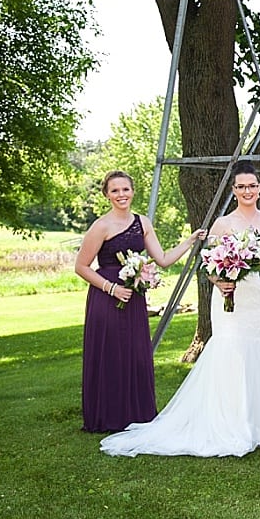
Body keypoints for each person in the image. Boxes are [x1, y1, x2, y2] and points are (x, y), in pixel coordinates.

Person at [100, 161, 260, 456]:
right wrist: (219, 283)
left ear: (259, 189)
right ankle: (226, 422)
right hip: (227, 299)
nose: (247, 191)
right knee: (228, 350)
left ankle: (257, 422)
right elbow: (207, 263)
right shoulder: (222, 224)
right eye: (241, 186)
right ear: (234, 191)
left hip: (256, 297)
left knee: (254, 349)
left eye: (252, 186)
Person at [75, 170, 207, 433]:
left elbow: (163, 259)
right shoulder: (101, 226)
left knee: (135, 354)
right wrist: (111, 288)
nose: (121, 195)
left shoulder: (142, 222)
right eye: (115, 190)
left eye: (125, 189)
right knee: (111, 353)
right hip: (107, 297)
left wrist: (191, 241)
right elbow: (81, 266)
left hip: (134, 297)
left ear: (133, 191)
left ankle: (137, 413)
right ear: (107, 195)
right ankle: (108, 415)